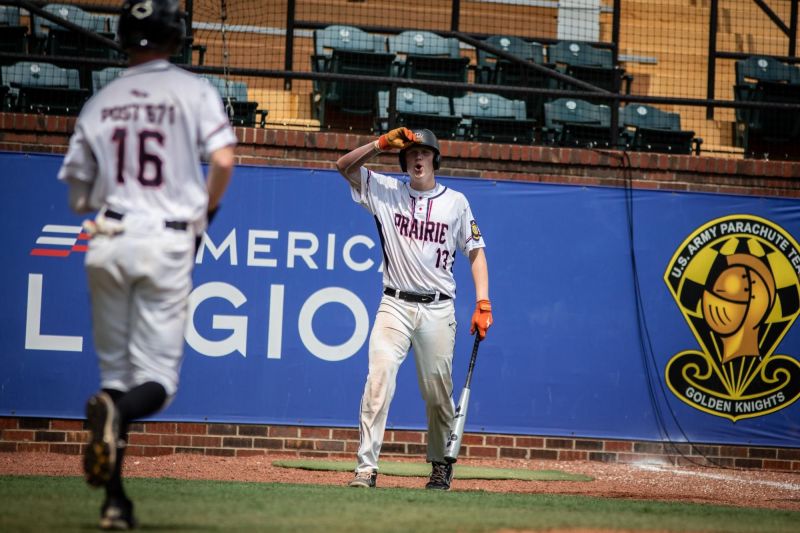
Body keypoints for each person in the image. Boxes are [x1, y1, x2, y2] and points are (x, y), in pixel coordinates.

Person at [57, 0, 236, 528]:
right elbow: (224, 158)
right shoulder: (192, 90)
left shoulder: (102, 99)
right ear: (175, 38)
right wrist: (204, 214)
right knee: (156, 380)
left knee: (116, 375)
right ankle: (115, 424)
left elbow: (77, 195)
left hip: (108, 236)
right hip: (166, 240)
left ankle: (115, 504)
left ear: (122, 38)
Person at [336, 127, 492, 491]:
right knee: (379, 379)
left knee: (438, 392)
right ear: (403, 160)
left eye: (423, 153)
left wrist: (483, 301)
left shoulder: (456, 202)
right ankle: (365, 468)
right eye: (410, 154)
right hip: (394, 304)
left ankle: (440, 465)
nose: (416, 159)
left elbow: (476, 252)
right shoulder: (387, 191)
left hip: (439, 310)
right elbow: (343, 166)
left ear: (434, 158)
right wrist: (379, 145)